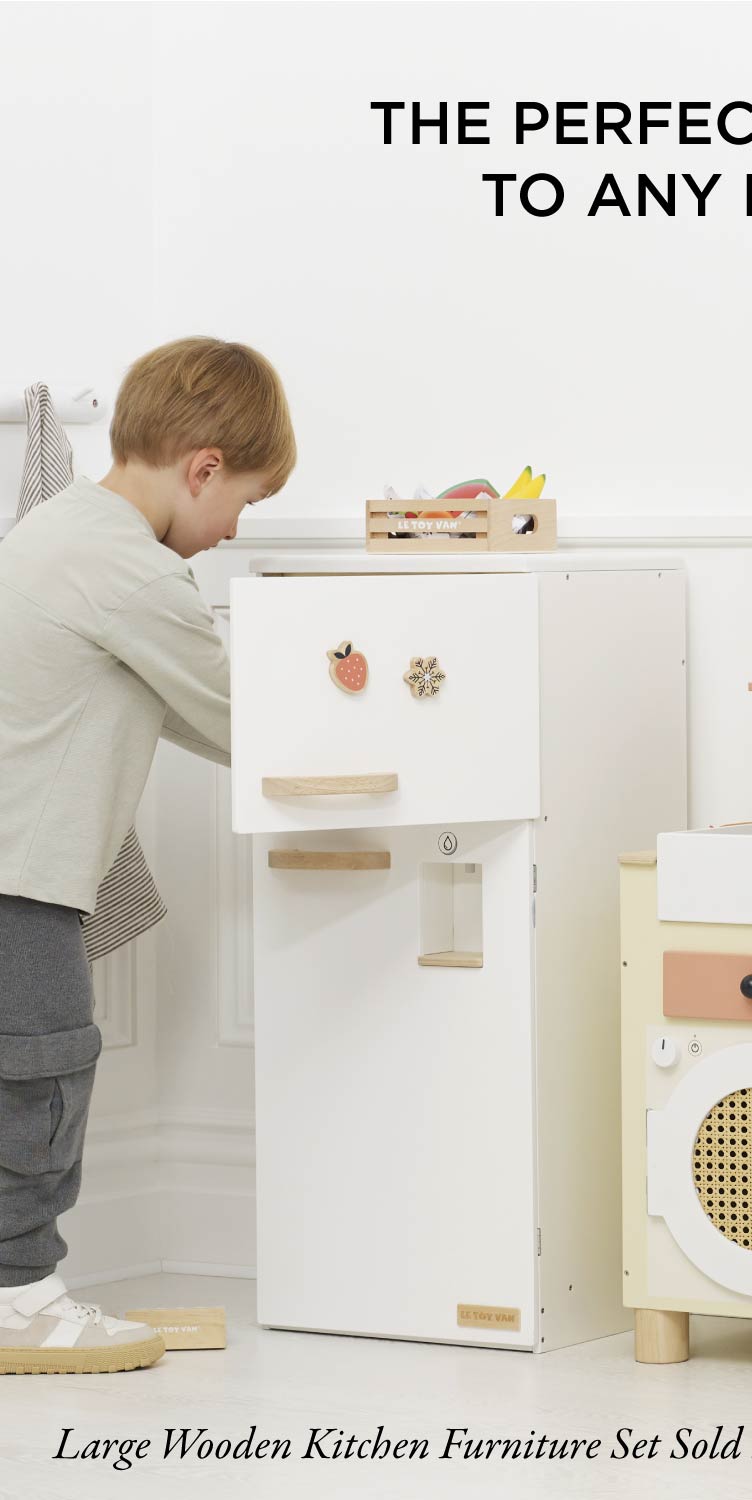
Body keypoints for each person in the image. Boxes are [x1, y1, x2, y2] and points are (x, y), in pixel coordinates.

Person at [0, 337, 294, 1373]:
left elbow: (176, 705)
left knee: (21, 1073)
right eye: (244, 504)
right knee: (40, 1074)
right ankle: (21, 1296)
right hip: (19, 874)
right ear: (203, 466)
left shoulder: (61, 529)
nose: (229, 532)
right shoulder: (131, 570)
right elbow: (248, 721)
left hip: (18, 859)